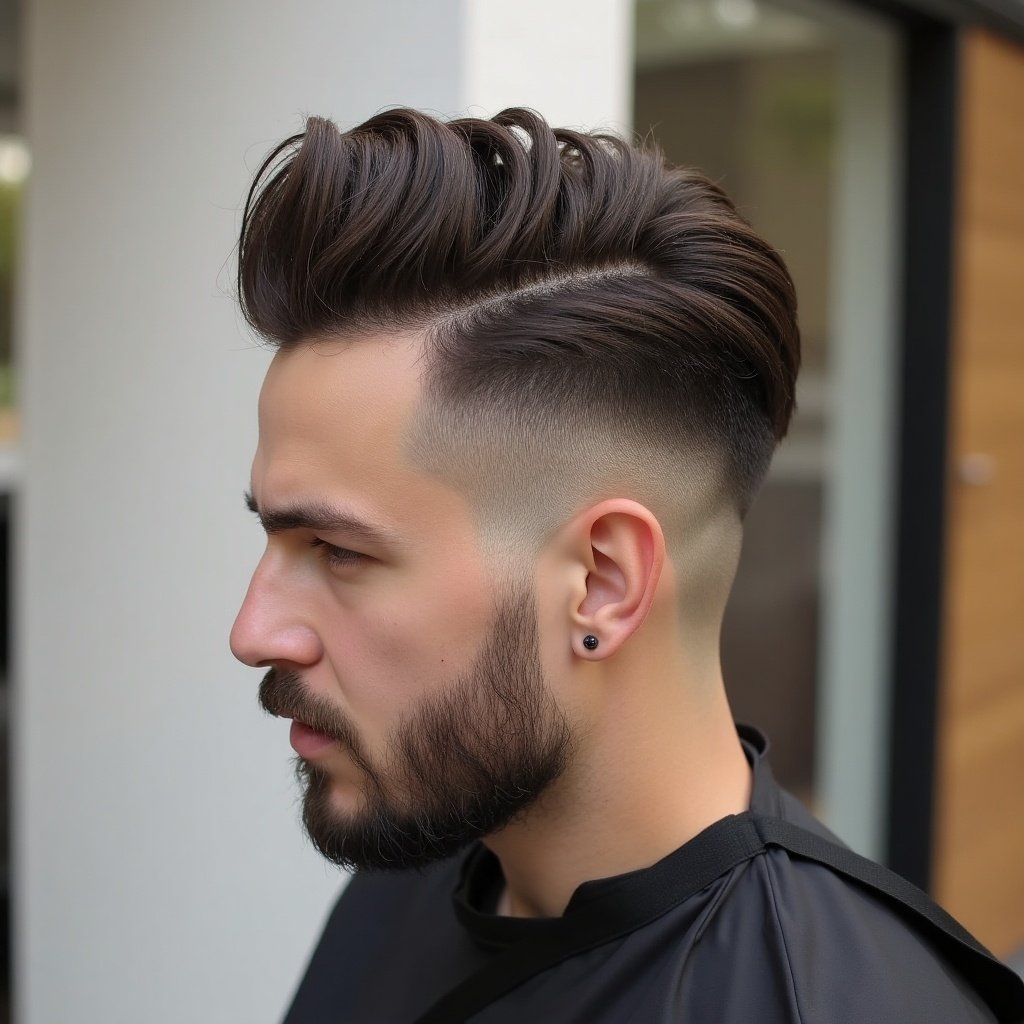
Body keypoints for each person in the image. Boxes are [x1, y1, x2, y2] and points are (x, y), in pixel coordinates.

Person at [229, 108, 1024, 1024]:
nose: (253, 632)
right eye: (274, 540)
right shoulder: (426, 850)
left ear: (602, 582)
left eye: (337, 550)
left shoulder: (827, 1003)